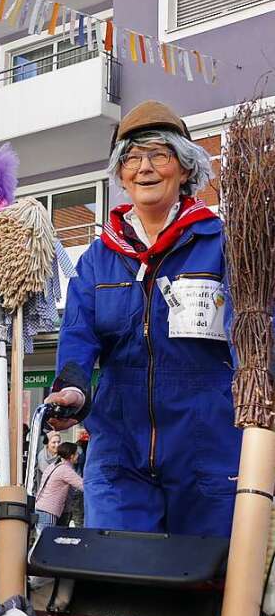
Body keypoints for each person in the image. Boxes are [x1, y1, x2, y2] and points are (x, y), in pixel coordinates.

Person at [45, 100, 237, 537]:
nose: (144, 167)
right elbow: (79, 334)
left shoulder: (223, 244)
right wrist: (72, 387)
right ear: (120, 173)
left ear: (185, 168)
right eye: (131, 157)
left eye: (159, 154)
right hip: (119, 446)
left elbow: (256, 331)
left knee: (209, 584)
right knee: (118, 578)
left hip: (208, 442)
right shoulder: (99, 258)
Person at [34, 442, 84, 535]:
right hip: (49, 511)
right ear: (71, 456)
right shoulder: (65, 470)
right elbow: (83, 486)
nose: (78, 456)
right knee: (47, 543)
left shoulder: (54, 465)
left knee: (42, 541)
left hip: (41, 508)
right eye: (76, 453)